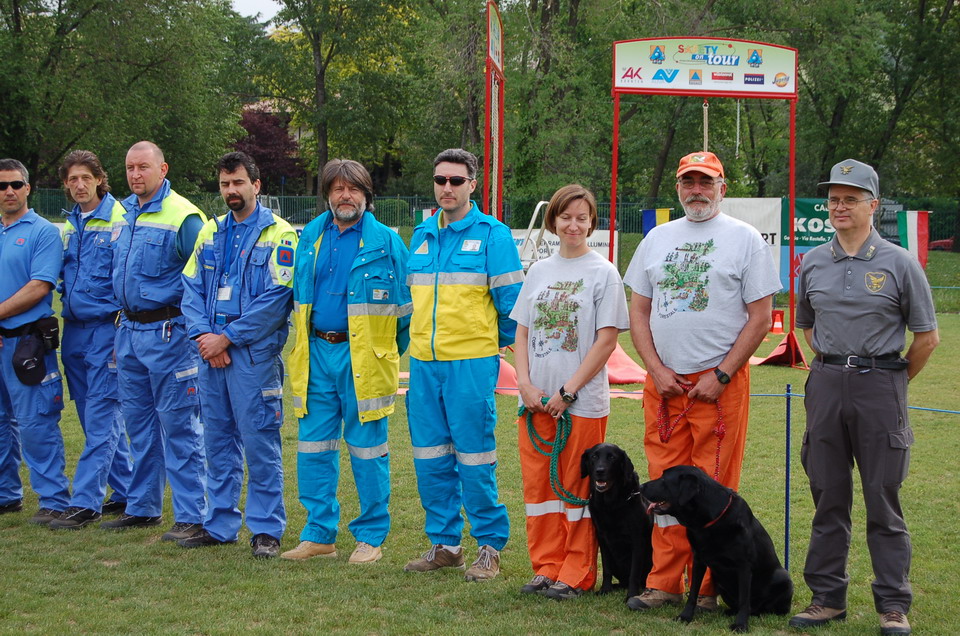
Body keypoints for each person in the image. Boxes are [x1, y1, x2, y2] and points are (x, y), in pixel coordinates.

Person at [623, 151, 780, 610]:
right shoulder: (657, 238)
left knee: (712, 490)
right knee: (662, 487)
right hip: (664, 384)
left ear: (722, 188)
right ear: (677, 188)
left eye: (705, 182)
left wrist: (722, 373)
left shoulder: (745, 239)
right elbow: (638, 311)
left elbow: (761, 317)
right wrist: (655, 368)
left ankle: (708, 587)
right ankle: (664, 583)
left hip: (718, 386)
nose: (697, 190)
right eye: (688, 182)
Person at [789, 160, 938, 636]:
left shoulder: (900, 262)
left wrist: (890, 381)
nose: (840, 207)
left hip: (881, 384)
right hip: (827, 383)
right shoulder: (813, 261)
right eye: (833, 199)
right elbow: (807, 325)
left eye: (850, 199)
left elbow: (927, 338)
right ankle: (826, 599)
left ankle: (892, 605)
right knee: (827, 496)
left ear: (873, 205)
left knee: (882, 499)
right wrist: (836, 365)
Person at [281, 159, 410, 564]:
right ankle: (319, 534)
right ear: (327, 195)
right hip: (316, 354)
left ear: (367, 195)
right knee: (313, 448)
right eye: (337, 188)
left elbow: (407, 311)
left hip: (364, 360)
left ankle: (370, 537)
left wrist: (383, 350)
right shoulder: (310, 237)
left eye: (353, 188)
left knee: (368, 449)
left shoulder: (387, 242)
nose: (345, 196)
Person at [404, 148, 523, 581]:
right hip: (423, 365)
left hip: (471, 365)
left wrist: (493, 345)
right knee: (430, 458)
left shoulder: (494, 235)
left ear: (473, 184)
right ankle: (446, 545)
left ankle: (489, 546)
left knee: (475, 457)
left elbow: (513, 308)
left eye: (456, 180)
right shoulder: (420, 235)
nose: (447, 188)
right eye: (441, 180)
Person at [512, 184, 629, 599]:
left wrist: (568, 391)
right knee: (540, 491)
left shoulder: (604, 273)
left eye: (582, 218)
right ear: (553, 221)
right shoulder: (539, 272)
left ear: (592, 222)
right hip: (536, 403)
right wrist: (524, 383)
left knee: (577, 490)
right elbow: (521, 332)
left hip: (580, 404)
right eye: (566, 217)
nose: (573, 225)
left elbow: (606, 340)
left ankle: (576, 572)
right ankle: (546, 565)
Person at [179, 152, 296, 557]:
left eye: (239, 183)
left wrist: (226, 338)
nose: (231, 190)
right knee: (217, 442)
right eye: (225, 184)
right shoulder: (209, 232)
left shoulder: (280, 234)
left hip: (252, 359)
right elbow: (190, 288)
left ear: (256, 185)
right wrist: (204, 337)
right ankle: (219, 524)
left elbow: (277, 298)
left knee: (260, 442)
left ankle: (266, 529)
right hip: (210, 356)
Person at [101, 141, 207, 540]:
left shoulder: (184, 216)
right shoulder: (122, 212)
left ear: (163, 169)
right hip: (129, 333)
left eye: (143, 167)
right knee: (139, 424)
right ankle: (143, 507)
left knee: (180, 426)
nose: (135, 174)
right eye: (130, 167)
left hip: (169, 333)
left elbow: (202, 278)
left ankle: (193, 514)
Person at [49, 150, 133, 530]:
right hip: (74, 331)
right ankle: (127, 488)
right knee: (88, 415)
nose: (79, 185)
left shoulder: (121, 219)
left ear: (100, 179)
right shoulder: (69, 226)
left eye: (86, 177)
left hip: (107, 328)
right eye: (72, 179)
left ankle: (85, 501)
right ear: (66, 185)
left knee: (102, 415)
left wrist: (120, 330)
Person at [0, 158, 71, 525]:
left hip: (26, 343)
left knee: (35, 423)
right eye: (2, 186)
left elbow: (39, 286)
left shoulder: (43, 231)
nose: (9, 191)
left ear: (28, 188)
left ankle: (54, 499)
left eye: (16, 184)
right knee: (0, 423)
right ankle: (6, 495)